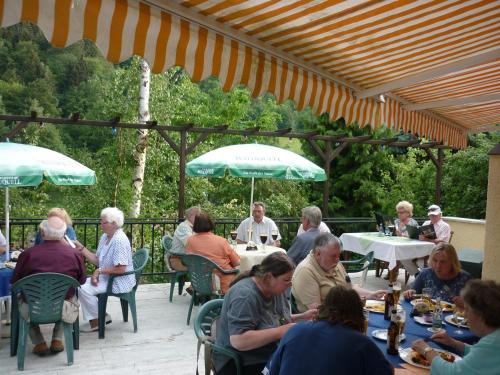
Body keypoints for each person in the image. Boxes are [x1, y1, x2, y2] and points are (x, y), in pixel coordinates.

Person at [215, 252, 317, 375]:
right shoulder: (245, 296)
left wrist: (302, 317)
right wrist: (283, 330)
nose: (290, 284)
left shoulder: (274, 289)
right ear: (269, 277)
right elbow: (239, 341)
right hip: (240, 361)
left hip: (266, 353)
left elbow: (271, 321)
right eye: (286, 280)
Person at [267, 285, 393, 375]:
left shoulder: (295, 330)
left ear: (324, 307)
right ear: (357, 313)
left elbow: (274, 369)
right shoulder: (361, 343)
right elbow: (386, 371)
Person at [11, 216, 86, 356]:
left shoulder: (27, 255)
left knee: (22, 299)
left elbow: (15, 282)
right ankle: (57, 339)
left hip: (33, 309)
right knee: (69, 296)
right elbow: (81, 281)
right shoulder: (75, 254)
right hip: (63, 308)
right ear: (64, 234)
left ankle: (39, 343)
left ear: (43, 233)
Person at [412, 279, 500, 375]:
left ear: (480, 314)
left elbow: (451, 372)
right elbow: (481, 355)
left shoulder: (492, 343)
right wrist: (454, 343)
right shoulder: (494, 338)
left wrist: (426, 350)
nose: (465, 315)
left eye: (467, 309)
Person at [292, 232, 385, 313]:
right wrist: (352, 303)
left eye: (338, 255)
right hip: (321, 324)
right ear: (318, 254)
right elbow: (317, 311)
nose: (337, 260)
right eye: (333, 256)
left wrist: (370, 294)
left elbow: (348, 287)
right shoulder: (305, 271)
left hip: (342, 317)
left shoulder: (334, 263)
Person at [76, 207, 135, 332]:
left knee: (83, 289)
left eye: (104, 222)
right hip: (108, 277)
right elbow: (97, 260)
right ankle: (99, 317)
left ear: (114, 224)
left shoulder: (119, 240)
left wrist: (99, 271)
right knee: (78, 284)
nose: (101, 225)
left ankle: (98, 319)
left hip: (119, 280)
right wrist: (80, 248)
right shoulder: (105, 237)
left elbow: (121, 269)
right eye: (101, 222)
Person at [185, 212, 240, 294]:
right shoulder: (221, 241)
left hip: (199, 280)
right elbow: (237, 262)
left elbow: (188, 260)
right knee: (239, 272)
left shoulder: (190, 241)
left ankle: (194, 289)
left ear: (195, 225)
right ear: (210, 223)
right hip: (221, 281)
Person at [403, 242, 471, 303]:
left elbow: (477, 308)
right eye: (435, 260)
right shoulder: (425, 274)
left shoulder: (465, 279)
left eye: (443, 262)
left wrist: (466, 304)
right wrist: (409, 293)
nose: (438, 266)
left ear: (452, 262)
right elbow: (412, 293)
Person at [390, 200, 421, 280]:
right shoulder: (396, 222)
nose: (399, 214)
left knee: (400, 255)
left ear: (408, 213)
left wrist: (402, 235)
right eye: (398, 212)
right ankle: (391, 272)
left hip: (411, 248)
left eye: (401, 212)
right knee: (391, 251)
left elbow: (415, 237)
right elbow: (391, 234)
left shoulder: (413, 223)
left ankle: (416, 274)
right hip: (399, 246)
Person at [168, 206, 201, 272]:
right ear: (192, 216)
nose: (200, 218)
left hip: (186, 259)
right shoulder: (184, 227)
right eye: (199, 216)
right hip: (178, 260)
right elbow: (190, 244)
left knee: (211, 265)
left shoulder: (191, 227)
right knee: (208, 267)